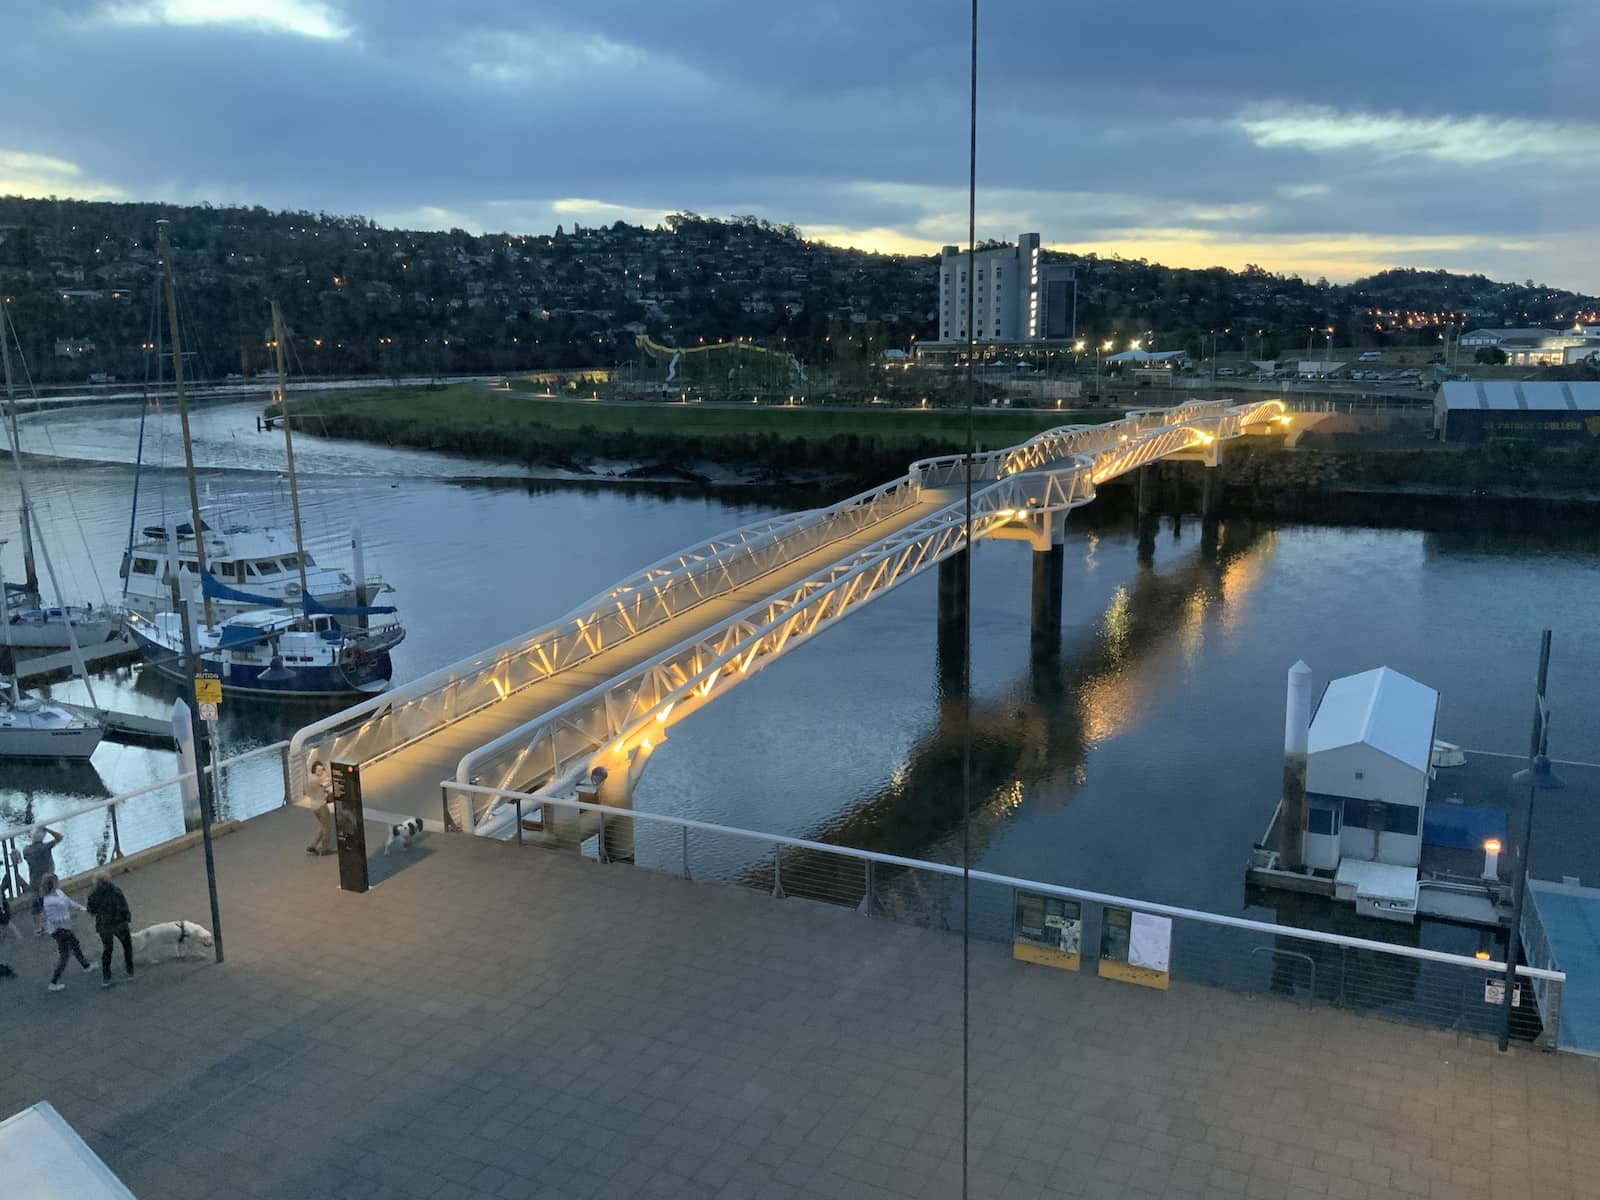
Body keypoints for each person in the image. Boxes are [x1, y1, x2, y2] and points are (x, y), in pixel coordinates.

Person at [41, 874, 91, 991]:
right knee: (65, 955)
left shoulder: (58, 892)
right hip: (59, 931)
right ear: (52, 884)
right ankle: (53, 982)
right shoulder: (48, 901)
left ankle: (86, 966)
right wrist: (69, 917)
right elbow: (53, 920)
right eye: (56, 881)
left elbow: (69, 902)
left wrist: (81, 908)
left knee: (75, 944)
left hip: (65, 928)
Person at [86, 870, 134, 989]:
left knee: (107, 949)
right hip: (119, 923)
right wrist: (127, 917)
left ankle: (106, 977)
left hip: (104, 926)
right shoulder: (115, 890)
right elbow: (123, 905)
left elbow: (91, 910)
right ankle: (130, 970)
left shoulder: (93, 894)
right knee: (127, 946)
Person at [22, 826, 64, 935]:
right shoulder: (46, 847)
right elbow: (60, 837)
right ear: (42, 838)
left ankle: (37, 928)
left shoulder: (26, 850)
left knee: (37, 905)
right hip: (48, 880)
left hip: (35, 882)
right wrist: (48, 829)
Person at [305, 759, 334, 855]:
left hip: (314, 807)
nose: (320, 772)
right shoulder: (317, 779)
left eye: (321, 770)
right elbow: (329, 781)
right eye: (319, 770)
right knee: (326, 828)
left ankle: (312, 846)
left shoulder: (310, 779)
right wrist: (326, 771)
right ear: (314, 770)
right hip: (321, 806)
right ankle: (325, 849)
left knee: (323, 826)